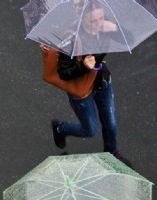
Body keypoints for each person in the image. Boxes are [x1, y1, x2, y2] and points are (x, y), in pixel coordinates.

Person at [43, 1, 132, 166]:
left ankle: (111, 154)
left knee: (110, 124)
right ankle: (60, 128)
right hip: (82, 92)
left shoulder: (104, 27)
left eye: (101, 18)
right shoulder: (70, 39)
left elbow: (129, 40)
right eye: (93, 21)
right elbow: (63, 74)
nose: (98, 24)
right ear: (81, 19)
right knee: (90, 130)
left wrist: (114, 28)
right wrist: (83, 67)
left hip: (103, 82)